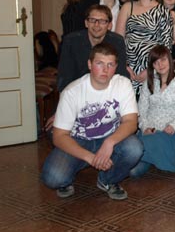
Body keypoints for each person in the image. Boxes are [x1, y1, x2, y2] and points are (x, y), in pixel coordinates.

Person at [41, 43, 143, 200]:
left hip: (109, 136)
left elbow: (131, 121)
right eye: (99, 63)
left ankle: (107, 180)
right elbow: (59, 136)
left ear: (116, 67)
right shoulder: (72, 92)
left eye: (110, 65)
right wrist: (90, 157)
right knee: (53, 178)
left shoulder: (123, 84)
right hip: (78, 139)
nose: (105, 70)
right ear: (89, 64)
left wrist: (109, 142)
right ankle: (68, 178)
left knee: (134, 148)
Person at [130, 45, 175, 178]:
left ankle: (156, 156)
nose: (160, 65)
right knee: (133, 172)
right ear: (152, 65)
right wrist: (145, 127)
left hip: (167, 132)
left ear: (170, 59)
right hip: (148, 131)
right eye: (156, 62)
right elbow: (141, 109)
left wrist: (174, 125)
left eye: (163, 60)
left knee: (137, 166)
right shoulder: (149, 82)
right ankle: (153, 157)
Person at [116, 0, 173, 91]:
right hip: (128, 66)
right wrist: (124, 65)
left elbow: (166, 46)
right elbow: (118, 40)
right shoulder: (127, 7)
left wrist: (151, 69)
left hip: (154, 66)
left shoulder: (163, 10)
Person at [57, 4, 128, 92]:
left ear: (109, 25)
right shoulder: (71, 41)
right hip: (77, 92)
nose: (96, 25)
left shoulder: (117, 42)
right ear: (86, 23)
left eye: (102, 21)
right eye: (92, 20)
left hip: (108, 92)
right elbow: (64, 77)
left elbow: (121, 75)